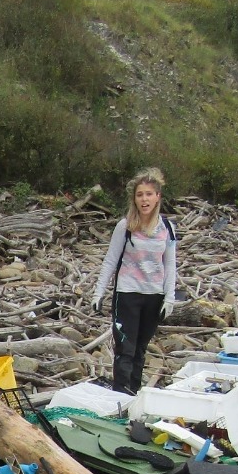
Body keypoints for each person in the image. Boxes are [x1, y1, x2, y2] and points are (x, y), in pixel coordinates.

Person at [91, 168, 178, 394]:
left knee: (140, 349)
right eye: (140, 195)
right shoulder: (125, 226)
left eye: (149, 194)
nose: (144, 199)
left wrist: (169, 298)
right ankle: (120, 396)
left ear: (157, 196)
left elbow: (170, 264)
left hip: (154, 295)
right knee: (125, 350)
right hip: (127, 294)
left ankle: (135, 395)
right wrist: (98, 293)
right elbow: (111, 260)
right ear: (134, 199)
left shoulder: (167, 228)